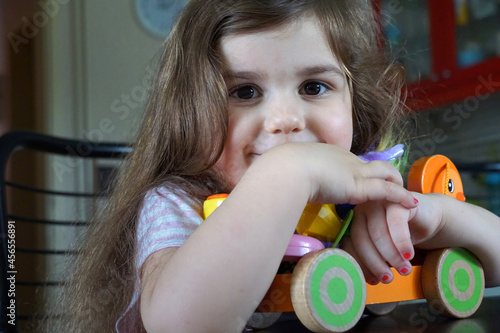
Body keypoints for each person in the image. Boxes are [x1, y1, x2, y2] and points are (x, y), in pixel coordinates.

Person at [54, 0, 500, 332]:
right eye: (244, 92)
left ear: (355, 102)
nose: (285, 119)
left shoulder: (358, 187)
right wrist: (289, 174)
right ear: (189, 114)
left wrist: (434, 217)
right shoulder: (176, 204)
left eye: (314, 86)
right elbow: (184, 324)